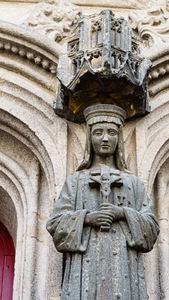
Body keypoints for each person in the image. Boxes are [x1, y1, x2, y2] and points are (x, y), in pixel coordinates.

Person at [46, 104, 159, 300]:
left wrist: (122, 213)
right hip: (83, 273)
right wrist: (88, 218)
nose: (105, 138)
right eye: (98, 132)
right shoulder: (75, 181)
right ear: (90, 138)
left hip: (125, 271)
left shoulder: (133, 183)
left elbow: (151, 229)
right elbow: (55, 225)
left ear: (119, 138)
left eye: (112, 133)